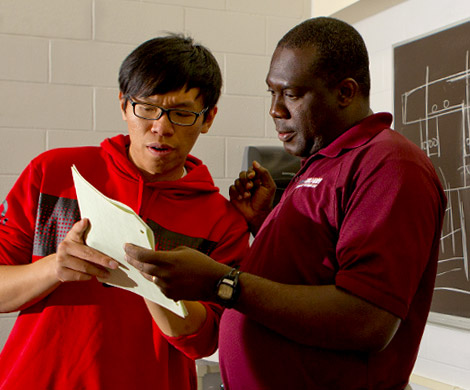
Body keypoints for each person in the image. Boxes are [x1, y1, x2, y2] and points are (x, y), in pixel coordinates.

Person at [123, 17, 447, 389]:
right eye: (271, 93)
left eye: (291, 94)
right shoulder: (324, 160)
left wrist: (221, 284)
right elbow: (316, 269)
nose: (276, 109)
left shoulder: (390, 165)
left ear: (345, 92)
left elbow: (367, 319)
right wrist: (265, 222)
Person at [0, 35, 249, 390]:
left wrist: (158, 287)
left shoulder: (222, 221)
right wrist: (53, 268)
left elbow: (206, 341)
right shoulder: (52, 172)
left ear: (208, 118)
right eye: (146, 108)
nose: (161, 127)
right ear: (123, 105)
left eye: (181, 113)